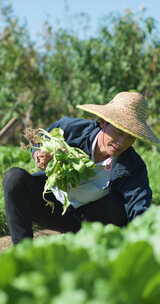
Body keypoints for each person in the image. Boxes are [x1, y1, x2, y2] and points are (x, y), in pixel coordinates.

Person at [3, 92, 160, 244]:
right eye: (118, 132)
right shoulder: (71, 129)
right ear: (103, 122)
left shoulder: (133, 166)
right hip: (53, 207)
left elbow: (140, 206)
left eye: (130, 137)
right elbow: (39, 141)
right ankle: (23, 251)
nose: (122, 142)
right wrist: (39, 153)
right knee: (14, 178)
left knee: (120, 206)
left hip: (93, 222)